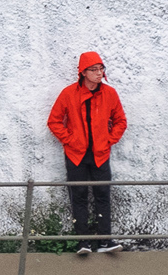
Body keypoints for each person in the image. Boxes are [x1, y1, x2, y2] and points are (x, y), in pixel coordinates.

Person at [46, 50, 126, 255]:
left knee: (103, 195)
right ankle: (83, 242)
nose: (99, 73)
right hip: (76, 155)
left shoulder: (109, 94)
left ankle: (105, 241)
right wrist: (70, 140)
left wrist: (109, 140)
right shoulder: (68, 94)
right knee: (79, 196)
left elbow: (120, 121)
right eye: (94, 69)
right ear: (83, 72)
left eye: (101, 69)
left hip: (100, 154)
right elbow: (54, 121)